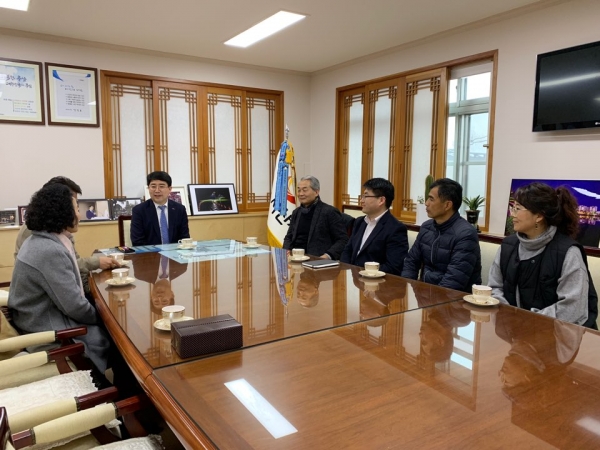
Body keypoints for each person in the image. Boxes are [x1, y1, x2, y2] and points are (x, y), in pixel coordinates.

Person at [8, 184, 112, 373]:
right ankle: (125, 393)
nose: (79, 215)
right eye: (76, 209)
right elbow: (74, 307)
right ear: (62, 213)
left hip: (36, 318)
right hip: (46, 330)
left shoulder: (44, 239)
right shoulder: (49, 250)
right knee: (117, 337)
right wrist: (105, 317)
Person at [488, 182, 598, 328]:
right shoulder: (508, 245)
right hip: (513, 332)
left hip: (558, 336)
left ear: (539, 216)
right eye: (512, 208)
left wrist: (527, 321)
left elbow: (572, 309)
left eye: (518, 208)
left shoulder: (568, 252)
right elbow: (494, 287)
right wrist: (510, 317)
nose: (512, 214)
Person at [14, 176, 120, 295]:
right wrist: (96, 263)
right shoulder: (35, 233)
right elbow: (64, 272)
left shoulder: (59, 229)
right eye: (72, 205)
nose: (77, 214)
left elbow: (73, 261)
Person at [402, 178, 481, 292]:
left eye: (431, 199)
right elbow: (411, 262)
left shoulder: (466, 234)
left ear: (447, 205)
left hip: (455, 302)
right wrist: (406, 289)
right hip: (425, 297)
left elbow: (454, 281)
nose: (426, 203)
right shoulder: (426, 227)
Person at [340, 178, 408, 275]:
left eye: (366, 196)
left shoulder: (395, 229)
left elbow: (394, 267)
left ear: (381, 200)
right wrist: (344, 271)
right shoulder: (359, 222)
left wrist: (365, 273)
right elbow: (348, 251)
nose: (361, 200)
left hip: (377, 284)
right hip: (353, 280)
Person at [283, 175, 348, 260]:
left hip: (317, 260)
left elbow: (342, 240)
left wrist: (327, 256)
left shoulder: (329, 211)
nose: (301, 194)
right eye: (299, 190)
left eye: (305, 190)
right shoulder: (296, 212)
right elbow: (289, 237)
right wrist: (286, 251)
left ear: (316, 192)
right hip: (295, 259)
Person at [130, 171, 190, 246]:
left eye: (161, 186)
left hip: (175, 254)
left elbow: (184, 238)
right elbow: (137, 241)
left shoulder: (179, 209)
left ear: (170, 189)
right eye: (153, 186)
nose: (157, 190)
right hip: (150, 255)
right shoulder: (139, 210)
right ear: (148, 188)